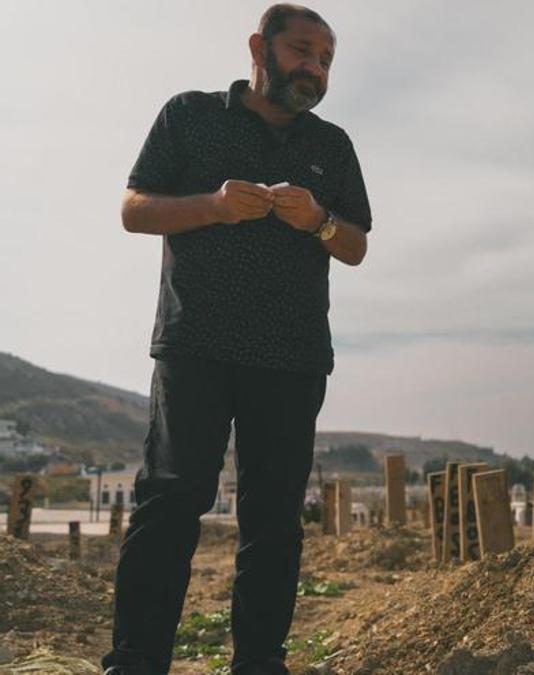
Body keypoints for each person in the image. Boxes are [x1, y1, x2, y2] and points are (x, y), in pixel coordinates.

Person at [103, 5, 371, 674]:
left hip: (293, 356)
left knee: (275, 519)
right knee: (169, 502)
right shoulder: (188, 115)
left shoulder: (332, 145)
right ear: (260, 47)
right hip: (194, 344)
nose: (315, 68)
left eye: (327, 60)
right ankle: (135, 662)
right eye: (303, 51)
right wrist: (215, 205)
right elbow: (134, 208)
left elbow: (357, 244)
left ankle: (259, 662)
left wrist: (318, 222)